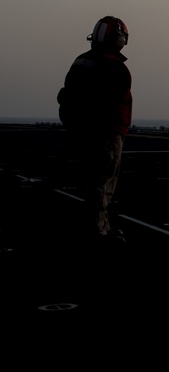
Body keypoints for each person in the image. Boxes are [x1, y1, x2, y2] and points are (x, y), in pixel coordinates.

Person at [57, 16, 132, 242]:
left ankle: (96, 226)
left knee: (91, 181)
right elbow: (113, 99)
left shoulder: (81, 61)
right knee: (103, 182)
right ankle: (99, 230)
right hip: (107, 132)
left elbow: (66, 95)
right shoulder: (116, 67)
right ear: (117, 38)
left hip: (82, 131)